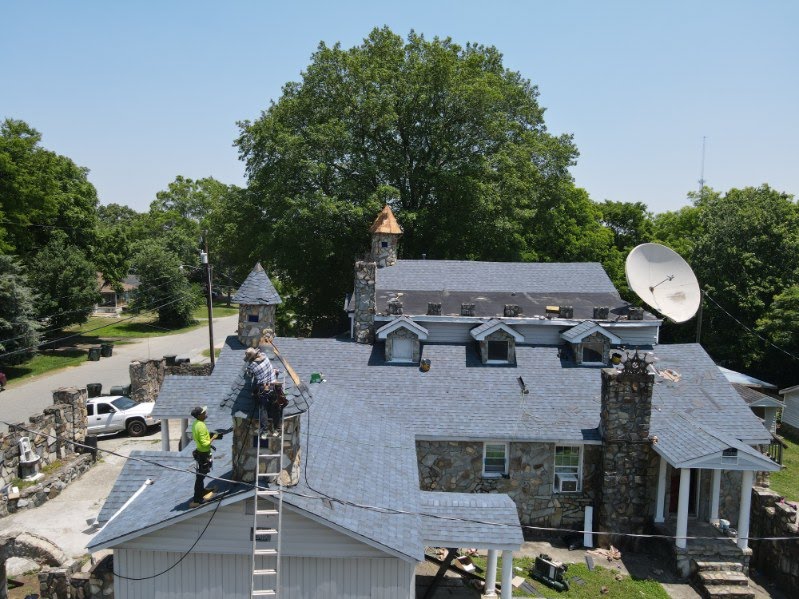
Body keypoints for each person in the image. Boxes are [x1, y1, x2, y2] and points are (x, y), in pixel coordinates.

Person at [245, 348, 284, 438]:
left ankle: (264, 431)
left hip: (263, 389)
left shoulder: (252, 366)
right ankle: (277, 430)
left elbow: (249, 374)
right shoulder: (265, 357)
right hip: (274, 387)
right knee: (276, 408)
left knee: (263, 409)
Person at [190, 405, 215, 507]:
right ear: (199, 415)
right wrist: (213, 438)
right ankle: (198, 499)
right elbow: (205, 443)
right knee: (200, 476)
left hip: (200, 452)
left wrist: (210, 436)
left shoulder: (196, 423)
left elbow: (201, 439)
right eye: (204, 413)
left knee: (201, 475)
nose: (206, 414)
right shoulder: (200, 425)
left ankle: (202, 491)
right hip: (204, 453)